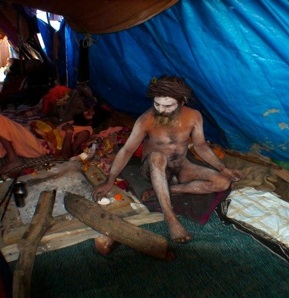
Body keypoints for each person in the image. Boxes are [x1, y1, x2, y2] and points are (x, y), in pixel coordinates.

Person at [92, 75, 242, 243]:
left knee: (223, 182)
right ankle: (170, 218)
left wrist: (223, 169)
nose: (161, 110)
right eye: (157, 104)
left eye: (168, 106)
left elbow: (200, 145)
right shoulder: (146, 119)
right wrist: (109, 181)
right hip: (152, 167)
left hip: (181, 165)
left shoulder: (194, 116)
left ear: (182, 101)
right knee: (157, 156)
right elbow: (127, 150)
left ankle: (169, 190)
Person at [0, 100, 95, 176]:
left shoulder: (85, 131)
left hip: (40, 147)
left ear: (92, 120)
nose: (85, 112)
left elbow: (67, 155)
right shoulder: (74, 122)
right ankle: (6, 150)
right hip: (36, 137)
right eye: (87, 110)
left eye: (89, 114)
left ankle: (14, 159)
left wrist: (69, 133)